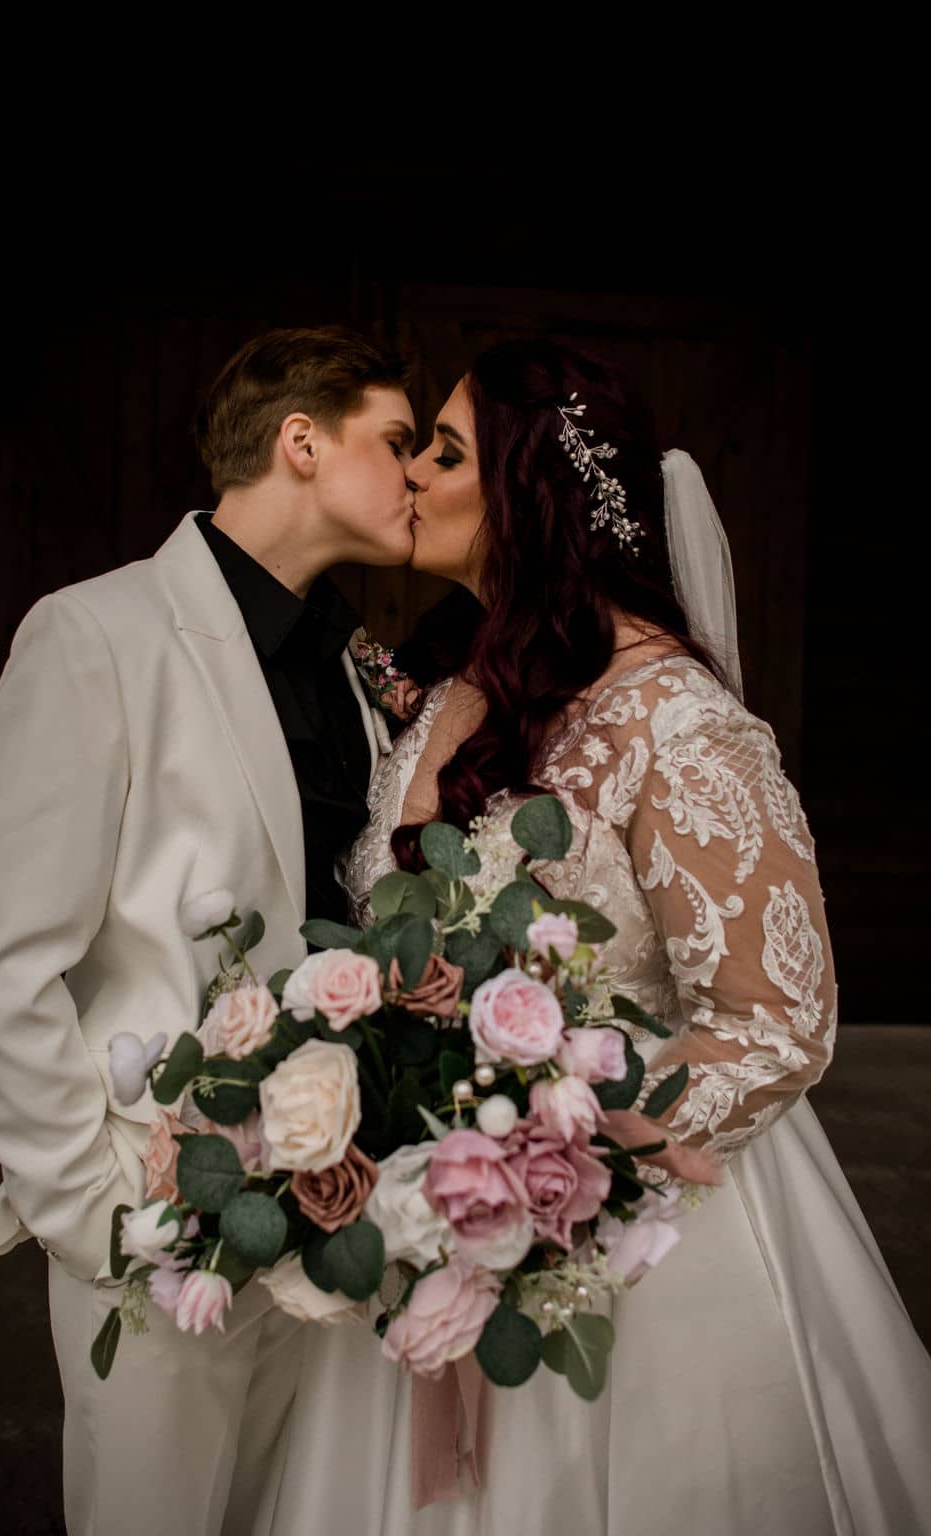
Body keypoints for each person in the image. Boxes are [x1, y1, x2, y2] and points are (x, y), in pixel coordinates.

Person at [262, 339, 931, 1536]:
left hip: (622, 1246)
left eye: (446, 452)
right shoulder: (454, 688)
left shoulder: (677, 722)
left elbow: (777, 1025)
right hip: (422, 1229)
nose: (411, 473)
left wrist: (549, 1167)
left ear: (532, 493)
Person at [0, 326, 418, 1536]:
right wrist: (100, 1216)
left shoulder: (356, 668)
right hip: (159, 1211)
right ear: (302, 442)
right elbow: (2, 963)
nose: (415, 476)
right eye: (398, 443)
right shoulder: (95, 635)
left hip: (331, 1215)